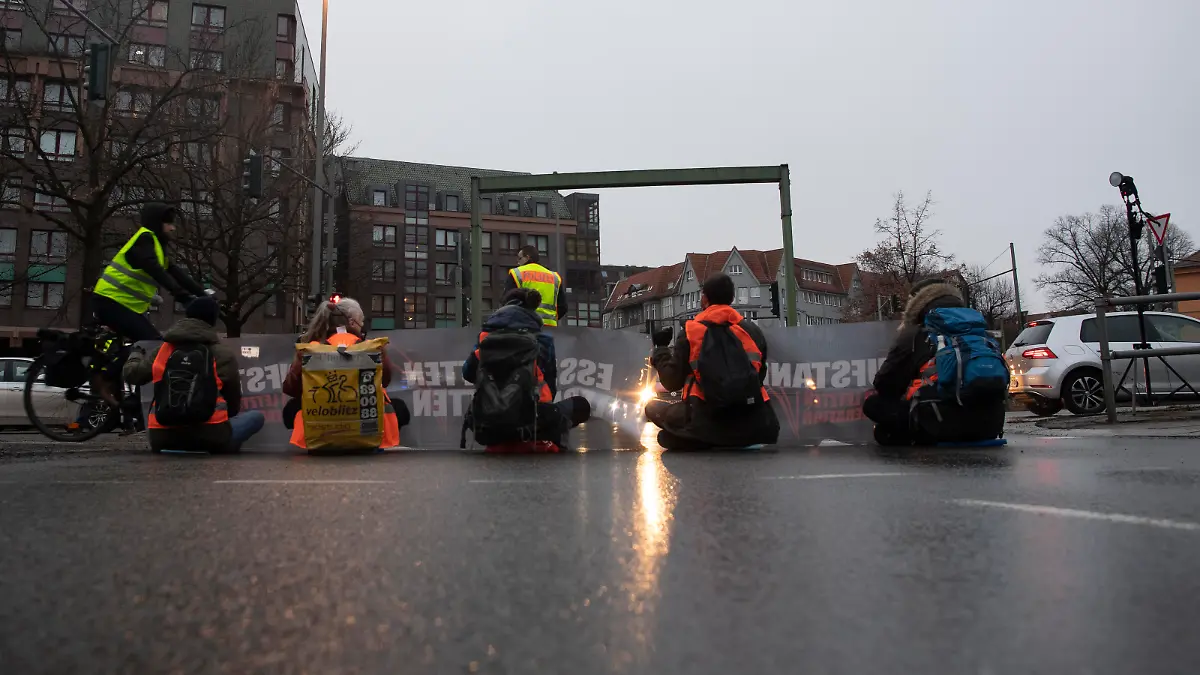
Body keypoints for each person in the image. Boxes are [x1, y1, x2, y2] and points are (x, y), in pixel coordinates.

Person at [862, 278, 1007, 445]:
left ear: (914, 304)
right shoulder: (982, 334)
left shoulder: (915, 335)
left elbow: (885, 384)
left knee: (873, 404)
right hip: (990, 427)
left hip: (941, 426)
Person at [90, 202, 208, 406]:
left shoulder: (156, 246)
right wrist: (181, 296)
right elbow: (155, 270)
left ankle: (124, 399)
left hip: (122, 304)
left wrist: (203, 294)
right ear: (157, 223)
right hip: (110, 301)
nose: (173, 228)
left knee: (143, 344)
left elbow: (177, 274)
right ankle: (105, 378)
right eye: (169, 223)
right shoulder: (145, 239)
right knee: (151, 343)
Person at [644, 273, 779, 450]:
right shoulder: (752, 331)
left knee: (652, 408)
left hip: (705, 418)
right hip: (756, 423)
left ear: (705, 299)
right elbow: (760, 375)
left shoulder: (691, 331)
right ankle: (733, 440)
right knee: (668, 435)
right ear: (731, 298)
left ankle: (702, 439)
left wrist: (661, 349)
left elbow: (671, 382)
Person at [123, 296, 264, 453]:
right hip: (210, 435)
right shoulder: (223, 354)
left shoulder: (163, 350)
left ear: (187, 316)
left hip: (162, 436)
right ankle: (222, 446)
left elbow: (133, 375)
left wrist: (135, 354)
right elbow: (233, 402)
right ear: (213, 321)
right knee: (255, 417)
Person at [462, 288, 590, 450]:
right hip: (531, 421)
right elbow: (550, 387)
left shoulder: (485, 338)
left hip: (487, 423)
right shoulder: (542, 339)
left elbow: (467, 373)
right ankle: (548, 441)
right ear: (531, 309)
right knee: (580, 405)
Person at [282, 297, 408, 450]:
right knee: (398, 406)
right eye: (361, 321)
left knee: (292, 407)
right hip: (370, 434)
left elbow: (290, 389)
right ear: (353, 322)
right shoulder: (373, 348)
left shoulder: (310, 349)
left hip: (318, 438)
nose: (362, 326)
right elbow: (385, 381)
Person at [503, 244, 567, 327]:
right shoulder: (554, 277)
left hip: (523, 325)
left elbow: (507, 301)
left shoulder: (517, 273)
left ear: (527, 257)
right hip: (549, 327)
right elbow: (563, 307)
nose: (518, 262)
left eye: (520, 258)